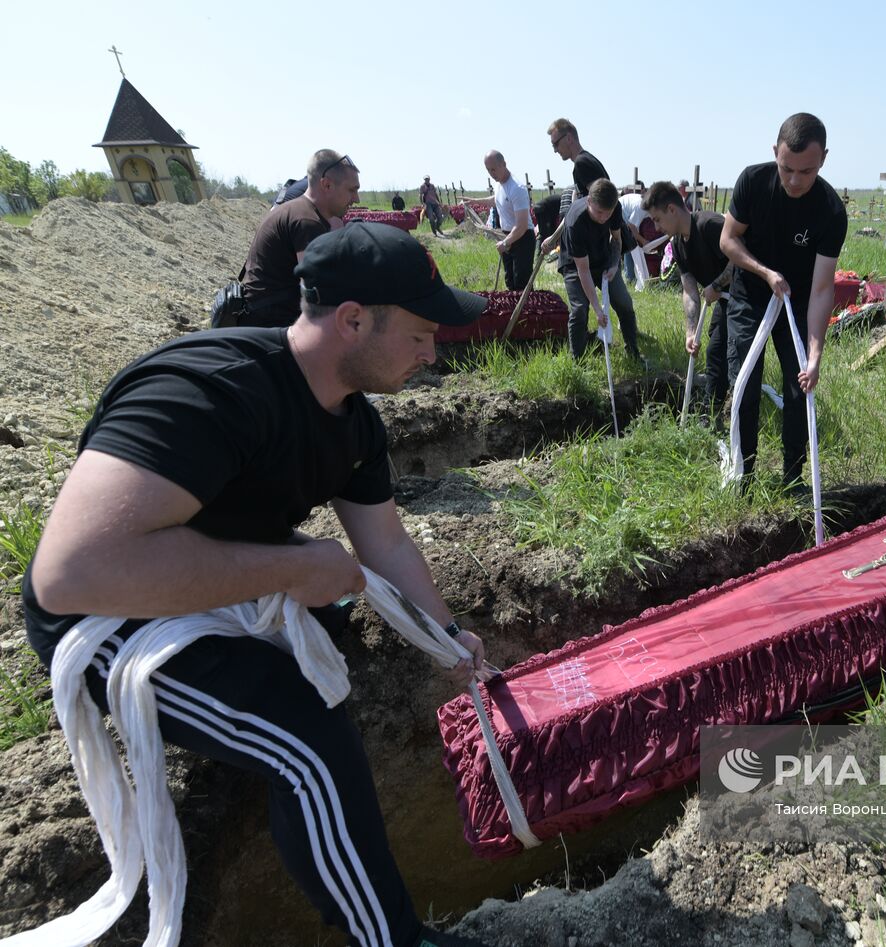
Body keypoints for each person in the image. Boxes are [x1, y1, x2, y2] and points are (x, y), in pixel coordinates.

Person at [22, 223, 493, 947]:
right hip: (109, 615)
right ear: (354, 320)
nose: (432, 354)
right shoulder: (210, 390)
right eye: (422, 333)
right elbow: (71, 574)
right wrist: (293, 566)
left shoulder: (354, 425)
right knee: (307, 736)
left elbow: (386, 542)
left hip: (211, 590)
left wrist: (448, 634)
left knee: (332, 644)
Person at [720, 112, 847, 486]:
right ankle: (744, 474)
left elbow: (823, 288)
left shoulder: (830, 211)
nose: (794, 180)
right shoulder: (753, 181)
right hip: (751, 294)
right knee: (745, 384)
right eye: (786, 168)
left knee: (798, 387)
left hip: (799, 301)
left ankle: (792, 478)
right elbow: (728, 240)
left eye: (806, 171)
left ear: (823, 159)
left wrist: (816, 355)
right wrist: (764, 271)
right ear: (775, 152)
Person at [241, 150, 360, 328]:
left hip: (263, 311)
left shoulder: (297, 209)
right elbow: (316, 292)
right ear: (326, 185)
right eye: (352, 190)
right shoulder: (307, 222)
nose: (356, 199)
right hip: (270, 320)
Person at [644, 180, 733, 413]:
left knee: (724, 351)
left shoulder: (709, 224)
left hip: (749, 296)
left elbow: (740, 257)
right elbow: (690, 291)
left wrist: (716, 284)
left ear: (672, 210)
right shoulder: (678, 244)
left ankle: (722, 410)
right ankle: (715, 406)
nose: (655, 228)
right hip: (725, 299)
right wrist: (690, 332)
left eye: (657, 219)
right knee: (716, 346)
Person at [559, 178, 642, 361]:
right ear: (589, 201)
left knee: (624, 302)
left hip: (603, 259)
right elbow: (583, 270)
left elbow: (617, 240)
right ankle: (577, 362)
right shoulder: (575, 222)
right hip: (575, 264)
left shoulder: (615, 208)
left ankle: (634, 354)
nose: (604, 217)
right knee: (580, 309)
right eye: (599, 212)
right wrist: (598, 309)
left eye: (608, 213)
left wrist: (614, 265)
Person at [541, 118, 608, 254]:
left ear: (569, 138)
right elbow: (576, 208)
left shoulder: (582, 164)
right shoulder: (586, 161)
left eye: (556, 144)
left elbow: (602, 204)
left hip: (594, 246)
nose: (555, 150)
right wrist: (554, 238)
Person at [484, 150, 536, 291]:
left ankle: (527, 312)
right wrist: (473, 202)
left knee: (521, 283)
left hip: (522, 238)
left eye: (493, 169)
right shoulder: (499, 184)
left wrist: (505, 242)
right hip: (507, 235)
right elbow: (496, 199)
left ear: (504, 164)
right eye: (488, 170)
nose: (491, 173)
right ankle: (514, 311)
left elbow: (522, 225)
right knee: (510, 281)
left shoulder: (517, 188)